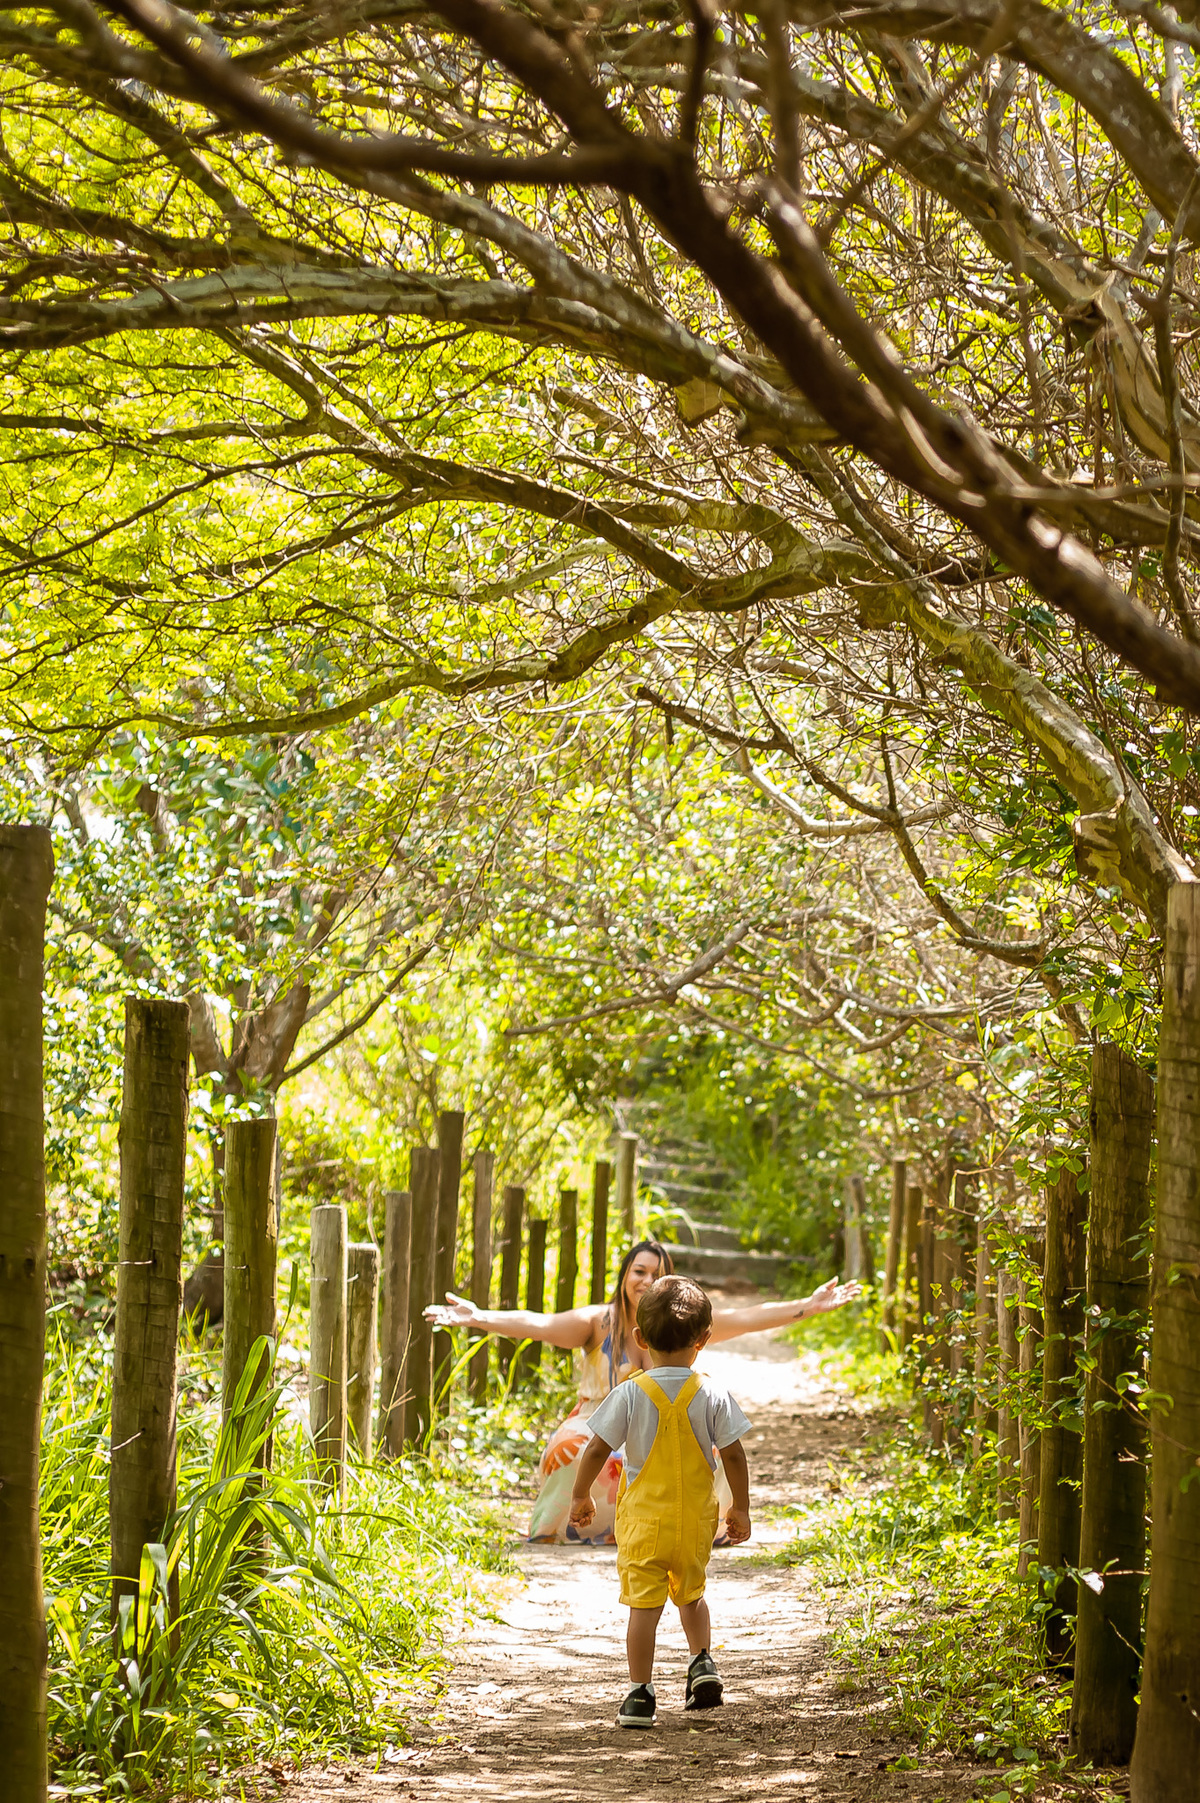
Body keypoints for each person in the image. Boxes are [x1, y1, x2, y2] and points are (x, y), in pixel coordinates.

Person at [425, 1237, 860, 1544]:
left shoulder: (685, 1321)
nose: (647, 1280)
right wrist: (478, 1316)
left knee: (710, 1447)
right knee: (574, 1444)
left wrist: (808, 1307)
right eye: (640, 1271)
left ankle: (703, 1525)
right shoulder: (598, 1321)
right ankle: (579, 1523)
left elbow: (749, 1316)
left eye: (659, 1274)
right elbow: (537, 1323)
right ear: (625, 1276)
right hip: (600, 1415)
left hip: (665, 1417)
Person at [568, 1275, 750, 1728]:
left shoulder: (630, 1392)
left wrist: (580, 1494)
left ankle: (639, 1694)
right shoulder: (713, 1393)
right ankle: (702, 1662)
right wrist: (740, 1508)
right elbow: (732, 1454)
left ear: (640, 1337)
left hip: (643, 1525)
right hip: (694, 1521)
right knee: (692, 1595)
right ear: (703, 1340)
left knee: (643, 1610)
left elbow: (595, 1448)